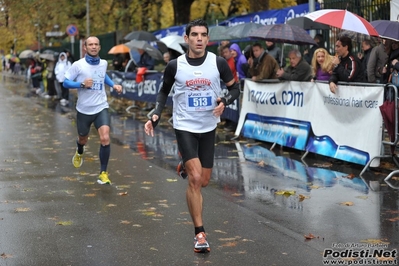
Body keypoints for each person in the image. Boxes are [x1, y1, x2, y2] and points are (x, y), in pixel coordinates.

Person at [144, 19, 240, 253]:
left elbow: (235, 88)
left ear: (208, 39)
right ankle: (200, 234)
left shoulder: (218, 63)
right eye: (194, 34)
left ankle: (185, 165)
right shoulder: (175, 65)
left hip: (208, 127)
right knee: (196, 179)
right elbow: (163, 91)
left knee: (204, 181)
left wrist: (224, 102)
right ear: (186, 39)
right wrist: (156, 114)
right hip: (184, 125)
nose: (199, 38)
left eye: (203, 35)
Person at [63, 36, 123, 185]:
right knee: (83, 138)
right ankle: (80, 150)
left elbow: (103, 76)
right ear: (85, 47)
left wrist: (113, 85)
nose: (94, 47)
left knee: (105, 138)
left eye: (96, 44)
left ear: (99, 47)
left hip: (101, 106)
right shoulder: (78, 65)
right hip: (84, 109)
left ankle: (103, 173)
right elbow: (65, 82)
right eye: (91, 44)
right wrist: (81, 84)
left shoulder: (103, 63)